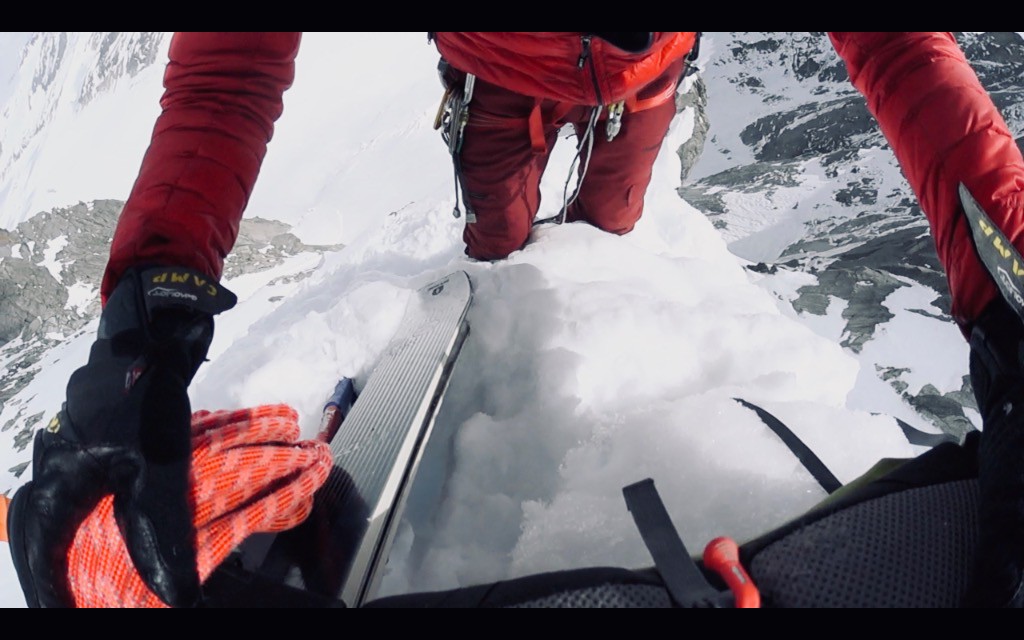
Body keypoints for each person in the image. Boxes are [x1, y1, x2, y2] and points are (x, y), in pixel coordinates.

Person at [6, 32, 1024, 608]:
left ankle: (570, 268)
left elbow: (898, 41)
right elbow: (230, 66)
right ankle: (504, 285)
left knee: (612, 226)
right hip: (504, 75)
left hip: (643, 73)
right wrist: (144, 325)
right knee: (498, 241)